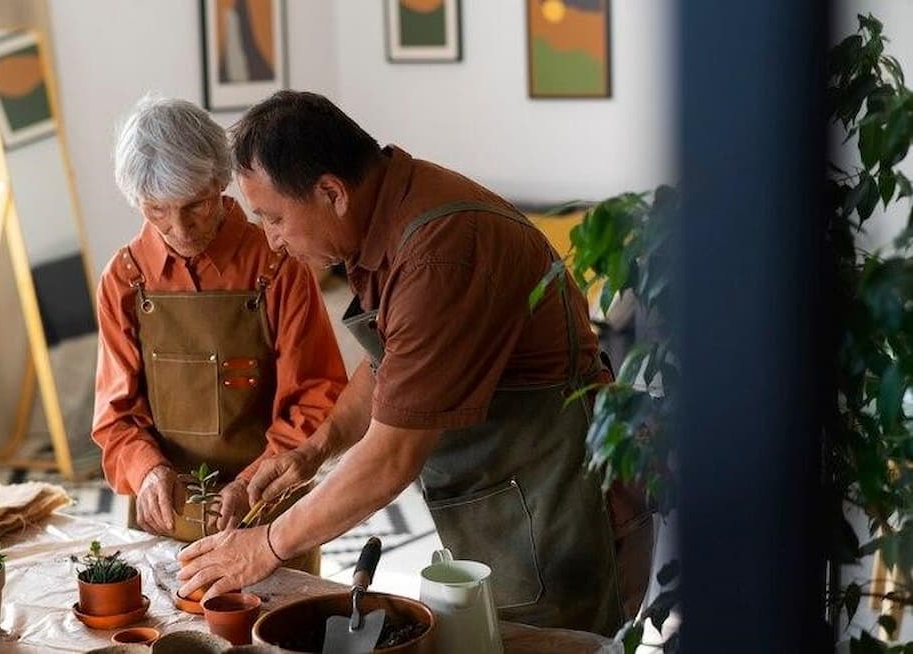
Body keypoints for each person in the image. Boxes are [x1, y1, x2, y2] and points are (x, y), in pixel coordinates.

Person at [177, 90, 651, 633]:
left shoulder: (438, 252)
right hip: (508, 502)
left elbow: (390, 457)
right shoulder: (388, 211)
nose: (274, 242)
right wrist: (313, 451)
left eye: (274, 219)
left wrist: (263, 546)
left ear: (331, 192)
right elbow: (390, 362)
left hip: (560, 503)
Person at [92, 95, 347, 575]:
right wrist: (148, 473)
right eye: (156, 211)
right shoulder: (125, 277)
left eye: (196, 206)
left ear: (221, 181)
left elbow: (317, 395)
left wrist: (253, 481)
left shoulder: (277, 263)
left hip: (267, 509)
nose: (179, 229)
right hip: (166, 515)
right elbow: (116, 416)